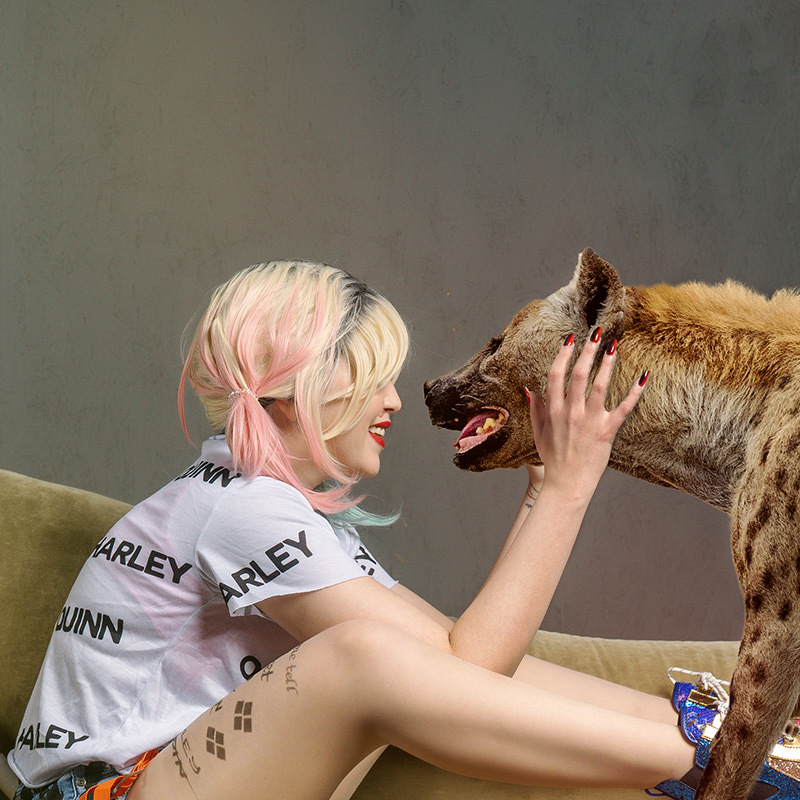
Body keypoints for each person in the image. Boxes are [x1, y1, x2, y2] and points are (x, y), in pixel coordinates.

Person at [8, 260, 796, 800]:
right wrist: (562, 489)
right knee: (361, 656)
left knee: (397, 655)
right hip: (107, 792)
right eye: (371, 373)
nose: (393, 400)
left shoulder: (262, 505)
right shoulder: (240, 508)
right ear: (289, 389)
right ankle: (730, 769)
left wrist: (691, 717)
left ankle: (723, 751)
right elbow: (461, 665)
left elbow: (465, 669)